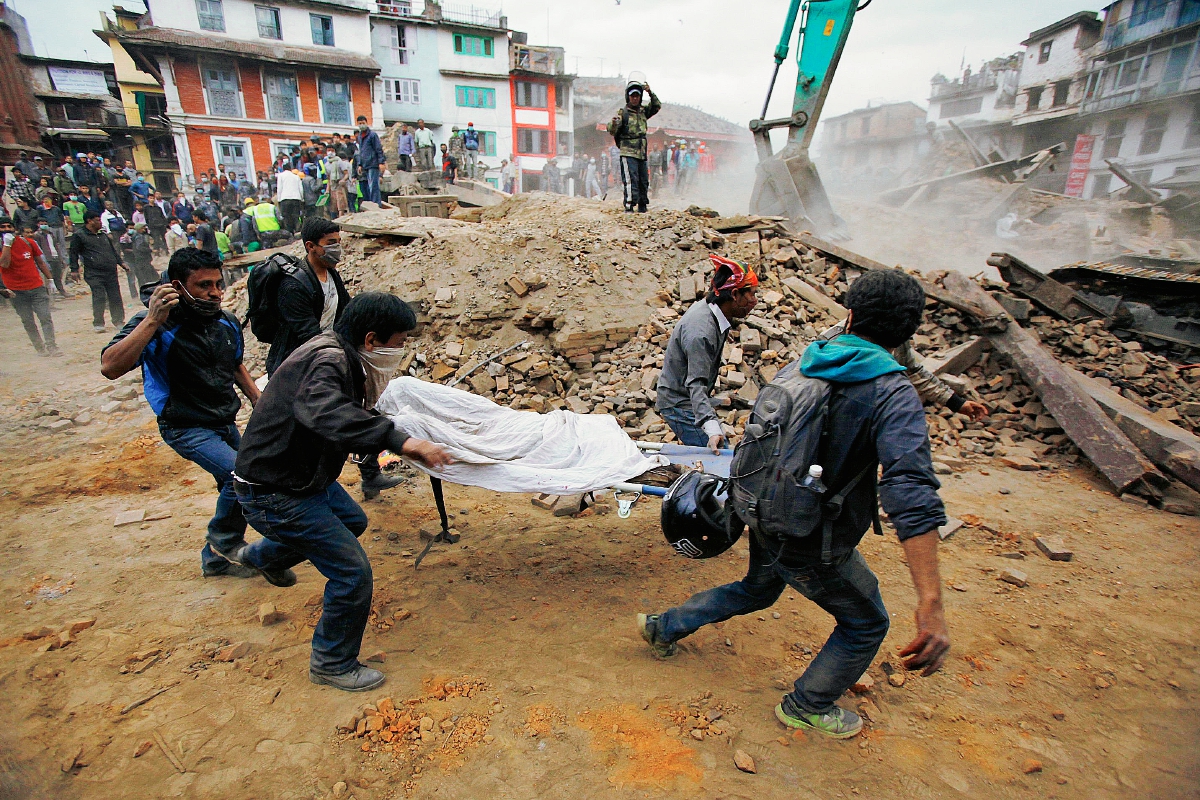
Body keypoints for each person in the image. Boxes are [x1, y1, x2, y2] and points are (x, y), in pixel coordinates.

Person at [639, 269, 952, 741]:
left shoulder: (809, 361)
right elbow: (910, 492)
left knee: (759, 589)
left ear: (848, 316)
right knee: (867, 622)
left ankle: (664, 627)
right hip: (811, 534)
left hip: (763, 510)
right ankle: (807, 705)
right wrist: (930, 602)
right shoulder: (892, 393)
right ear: (909, 336)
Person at [227, 292, 451, 690]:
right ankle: (331, 662)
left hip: (299, 478)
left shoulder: (340, 353)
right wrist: (400, 441)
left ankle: (263, 556)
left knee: (352, 520)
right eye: (399, 341)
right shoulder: (328, 359)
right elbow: (326, 412)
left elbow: (340, 413)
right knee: (352, 573)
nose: (400, 350)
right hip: (274, 491)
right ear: (371, 340)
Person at [101, 248, 276, 581]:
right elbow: (110, 367)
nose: (214, 292)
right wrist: (153, 320)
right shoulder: (155, 324)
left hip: (222, 420)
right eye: (203, 285)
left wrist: (257, 398)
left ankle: (215, 559)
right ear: (177, 286)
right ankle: (226, 543)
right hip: (184, 425)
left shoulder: (224, 321)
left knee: (248, 477)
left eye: (218, 284)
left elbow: (234, 363)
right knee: (239, 476)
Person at [655, 255, 759, 451]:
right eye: (751, 294)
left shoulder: (713, 309)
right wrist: (711, 428)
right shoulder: (701, 333)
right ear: (735, 294)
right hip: (679, 404)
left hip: (685, 395)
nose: (754, 300)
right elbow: (695, 384)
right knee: (720, 455)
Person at [0, 216, 59, 356]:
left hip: (36, 286)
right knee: (28, 321)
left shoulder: (28, 242)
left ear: (14, 229)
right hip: (16, 291)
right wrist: (7, 245)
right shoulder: (3, 247)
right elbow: (4, 264)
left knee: (45, 317)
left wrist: (50, 280)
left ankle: (52, 346)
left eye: (9, 226)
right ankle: (40, 348)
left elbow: (40, 262)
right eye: (3, 227)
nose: (7, 229)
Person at [607, 79, 660, 212]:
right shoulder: (623, 113)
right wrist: (614, 124)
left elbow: (657, 106)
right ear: (628, 97)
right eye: (632, 96)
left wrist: (649, 92)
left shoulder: (642, 112)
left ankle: (642, 205)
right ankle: (629, 207)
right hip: (628, 151)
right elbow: (611, 129)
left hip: (641, 152)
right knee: (631, 180)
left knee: (643, 181)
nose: (635, 98)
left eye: (637, 96)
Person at [70, 210, 127, 332]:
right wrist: (74, 269)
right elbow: (73, 253)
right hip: (94, 273)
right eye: (97, 220)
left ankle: (118, 321)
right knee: (99, 296)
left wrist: (121, 263)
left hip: (110, 271)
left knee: (115, 296)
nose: (100, 223)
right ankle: (98, 323)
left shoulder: (103, 235)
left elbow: (112, 251)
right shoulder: (79, 235)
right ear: (89, 221)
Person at [37, 196, 69, 296]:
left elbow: (56, 246)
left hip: (55, 257)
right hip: (46, 259)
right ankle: (50, 296)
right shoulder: (37, 236)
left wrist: (60, 258)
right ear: (38, 224)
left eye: (45, 223)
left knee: (57, 276)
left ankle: (61, 291)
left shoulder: (51, 234)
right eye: (42, 223)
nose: (44, 225)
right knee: (48, 278)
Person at [354, 115, 384, 205]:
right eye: (360, 123)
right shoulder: (360, 136)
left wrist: (381, 162)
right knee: (368, 186)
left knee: (374, 186)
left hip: (373, 163)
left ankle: (376, 204)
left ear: (367, 123)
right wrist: (360, 164)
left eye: (363, 123)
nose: (362, 125)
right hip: (365, 164)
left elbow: (378, 149)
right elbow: (361, 151)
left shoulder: (372, 135)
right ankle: (372, 203)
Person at [276, 168, 304, 233]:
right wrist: (302, 199)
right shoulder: (296, 176)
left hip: (284, 198)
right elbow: (300, 189)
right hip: (296, 198)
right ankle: (297, 230)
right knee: (296, 215)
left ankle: (290, 231)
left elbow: (279, 188)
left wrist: (279, 199)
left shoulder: (281, 176)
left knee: (286, 216)